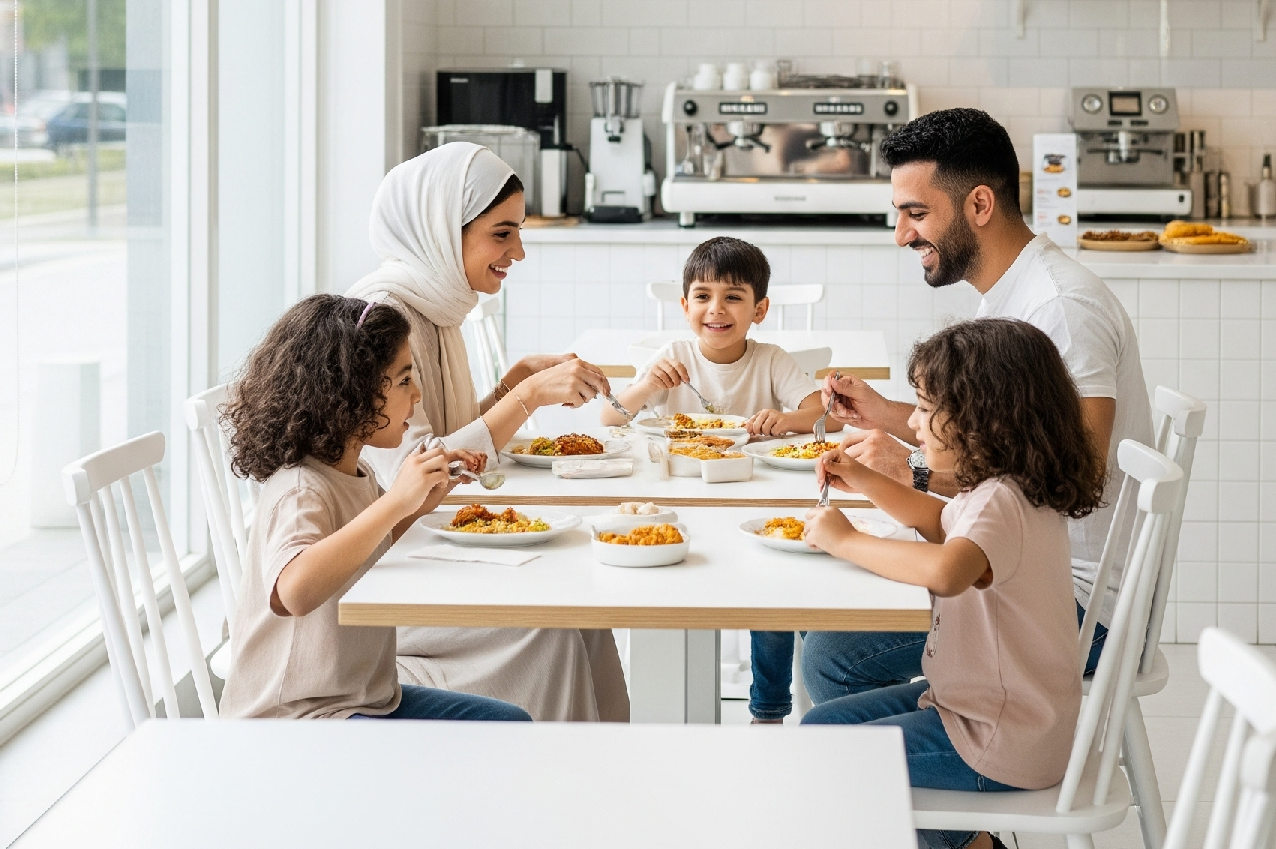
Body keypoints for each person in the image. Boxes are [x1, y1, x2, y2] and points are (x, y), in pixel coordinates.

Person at [804, 106, 1151, 706]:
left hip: (1078, 603)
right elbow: (1009, 443)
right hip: (1028, 564)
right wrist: (886, 415)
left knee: (832, 651)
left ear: (980, 206)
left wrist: (915, 472)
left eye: (917, 214)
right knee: (828, 596)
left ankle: (939, 757)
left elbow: (1076, 478)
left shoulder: (1059, 310)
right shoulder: (1011, 295)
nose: (903, 235)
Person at [801, 318, 1104, 849]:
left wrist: (847, 540)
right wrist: (869, 482)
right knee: (823, 729)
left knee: (831, 752)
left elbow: (948, 568)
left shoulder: (999, 500)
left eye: (929, 410)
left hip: (997, 737)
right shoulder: (1005, 488)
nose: (913, 424)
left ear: (985, 421)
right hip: (993, 714)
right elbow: (940, 522)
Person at [347, 141, 629, 722]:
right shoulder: (380, 316)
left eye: (518, 232)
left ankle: (599, 775)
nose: (519, 252)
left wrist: (509, 386)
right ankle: (547, 783)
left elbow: (439, 436)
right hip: (381, 575)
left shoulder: (436, 304)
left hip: (422, 545)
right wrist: (525, 399)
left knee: (586, 606)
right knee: (558, 616)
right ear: (441, 230)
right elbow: (414, 475)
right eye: (502, 234)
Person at [220, 294, 531, 722]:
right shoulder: (300, 488)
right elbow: (295, 590)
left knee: (510, 723)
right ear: (348, 391)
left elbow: (366, 545)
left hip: (364, 699)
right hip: (295, 720)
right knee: (502, 729)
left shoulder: (356, 471)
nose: (417, 395)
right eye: (404, 380)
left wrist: (418, 506)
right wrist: (397, 502)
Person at [600, 236, 828, 724]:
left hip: (756, 499)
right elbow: (609, 417)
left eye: (733, 297)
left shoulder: (770, 359)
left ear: (759, 309)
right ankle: (665, 707)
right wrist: (646, 386)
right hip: (681, 503)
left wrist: (782, 420)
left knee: (773, 596)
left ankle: (768, 709)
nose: (716, 309)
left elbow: (819, 412)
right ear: (685, 306)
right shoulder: (675, 354)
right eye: (702, 296)